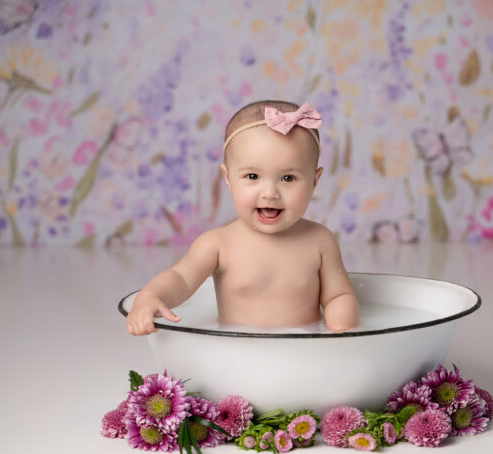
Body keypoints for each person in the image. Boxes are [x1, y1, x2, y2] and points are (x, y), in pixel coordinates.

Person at [126, 100, 358, 335]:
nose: (270, 193)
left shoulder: (319, 240)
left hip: (303, 349)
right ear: (227, 178)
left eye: (288, 178)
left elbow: (338, 294)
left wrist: (342, 328)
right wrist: (149, 297)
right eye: (252, 176)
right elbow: (181, 279)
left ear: (314, 181)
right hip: (237, 352)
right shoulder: (218, 244)